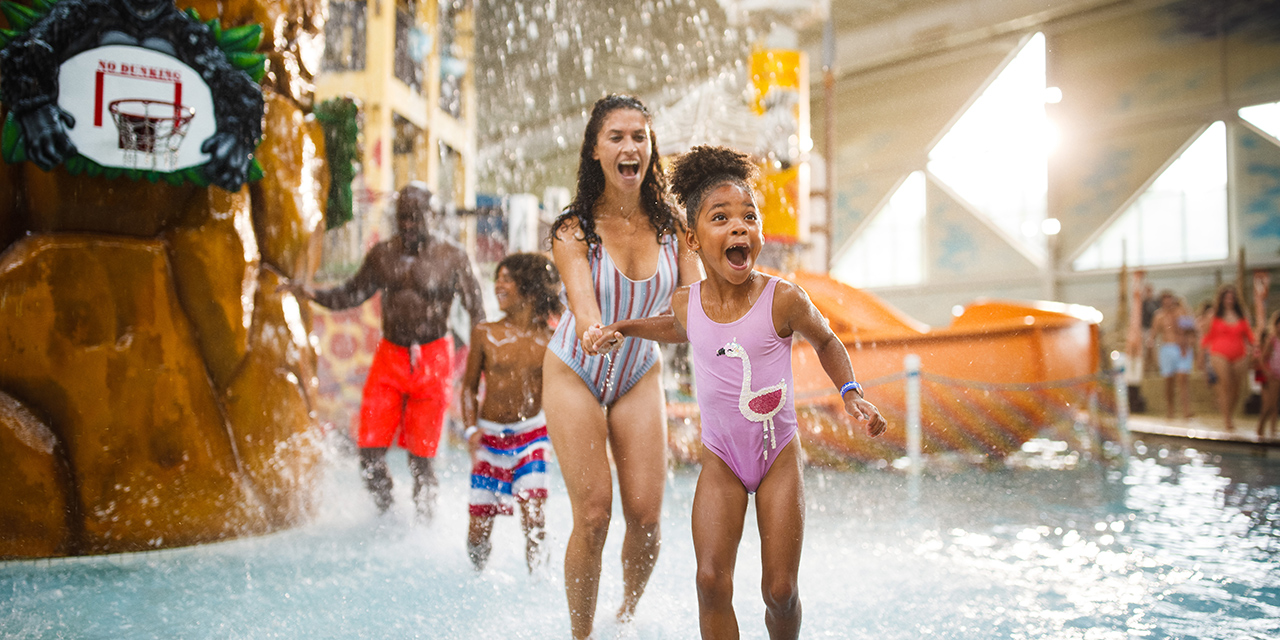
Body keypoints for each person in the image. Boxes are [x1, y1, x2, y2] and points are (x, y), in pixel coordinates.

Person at [592, 145, 887, 640]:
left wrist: (852, 391)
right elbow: (676, 327)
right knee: (709, 581)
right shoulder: (688, 303)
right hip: (721, 461)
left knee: (779, 591)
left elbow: (827, 339)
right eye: (721, 217)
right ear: (692, 237)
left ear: (760, 233)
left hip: (777, 460)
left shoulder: (783, 299)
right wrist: (625, 326)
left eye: (749, 216)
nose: (739, 227)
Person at [543, 94, 701, 639]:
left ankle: (625, 618)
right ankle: (581, 635)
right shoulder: (573, 230)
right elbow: (584, 305)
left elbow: (691, 318)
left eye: (640, 136)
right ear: (594, 151)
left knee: (648, 519)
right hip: (574, 372)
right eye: (616, 137)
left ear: (651, 149)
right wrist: (591, 328)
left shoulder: (675, 229)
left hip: (637, 373)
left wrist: (627, 329)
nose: (630, 146)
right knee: (593, 515)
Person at [282, 182, 485, 517]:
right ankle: (387, 519)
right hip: (390, 357)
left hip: (434, 359)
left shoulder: (453, 257)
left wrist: (481, 365)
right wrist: (309, 292)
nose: (407, 224)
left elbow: (477, 313)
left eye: (415, 217)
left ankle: (424, 527)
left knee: (422, 463)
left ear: (431, 216)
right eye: (402, 217)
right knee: (369, 457)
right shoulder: (382, 255)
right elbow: (350, 294)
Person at [460, 253, 562, 572]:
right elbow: (467, 389)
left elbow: (564, 394)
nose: (498, 285)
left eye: (506, 279)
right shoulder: (485, 333)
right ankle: (476, 576)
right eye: (497, 278)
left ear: (529, 288)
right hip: (489, 440)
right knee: (478, 533)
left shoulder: (551, 339)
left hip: (532, 437)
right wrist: (469, 429)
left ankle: (538, 583)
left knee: (533, 517)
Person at [1201, 284, 1256, 431]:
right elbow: (1207, 338)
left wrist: (1254, 350)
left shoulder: (1241, 315)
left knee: (1236, 388)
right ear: (1222, 298)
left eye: (1232, 296)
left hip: (1239, 353)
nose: (1229, 299)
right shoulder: (1214, 315)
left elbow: (1249, 336)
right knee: (1226, 385)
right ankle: (1227, 420)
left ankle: (1229, 413)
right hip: (1219, 353)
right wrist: (1201, 360)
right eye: (1227, 296)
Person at [1150, 290, 1196, 419]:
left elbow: (1191, 329)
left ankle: (1186, 410)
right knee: (1169, 381)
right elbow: (1153, 334)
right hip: (1167, 348)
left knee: (1183, 379)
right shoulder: (1159, 316)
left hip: (1182, 348)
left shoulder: (1181, 313)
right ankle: (1170, 409)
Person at [1257, 311, 1280, 438]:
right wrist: (1267, 371)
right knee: (1269, 404)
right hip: (1273, 375)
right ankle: (1261, 427)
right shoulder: (1272, 340)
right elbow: (1262, 358)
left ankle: (1273, 429)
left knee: (1275, 404)